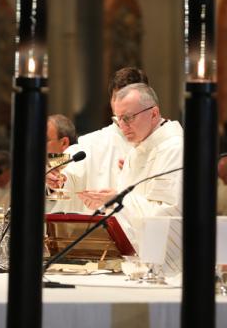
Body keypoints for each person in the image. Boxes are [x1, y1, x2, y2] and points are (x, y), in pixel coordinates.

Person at [78, 83, 184, 273]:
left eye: (128, 118)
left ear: (153, 113)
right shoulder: (136, 152)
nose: (122, 126)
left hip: (170, 270)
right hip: (136, 264)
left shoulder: (174, 149)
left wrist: (118, 200)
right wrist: (108, 204)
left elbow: (168, 215)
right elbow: (132, 207)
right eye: (118, 119)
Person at [47, 67, 149, 213]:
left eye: (129, 97)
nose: (124, 104)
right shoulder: (91, 142)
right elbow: (64, 174)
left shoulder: (162, 143)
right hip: (97, 226)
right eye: (118, 97)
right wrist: (55, 179)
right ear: (111, 101)